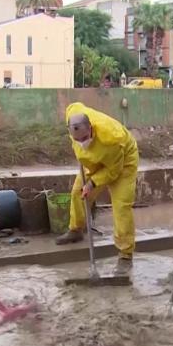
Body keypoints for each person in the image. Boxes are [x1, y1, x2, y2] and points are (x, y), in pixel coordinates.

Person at [55, 102, 139, 275]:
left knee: (122, 206)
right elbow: (74, 105)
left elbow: (113, 171)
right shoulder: (73, 116)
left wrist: (92, 183)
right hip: (93, 161)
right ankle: (76, 229)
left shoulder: (112, 139)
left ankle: (125, 254)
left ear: (91, 129)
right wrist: (87, 184)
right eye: (77, 140)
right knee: (78, 193)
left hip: (122, 162)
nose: (81, 142)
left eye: (84, 139)